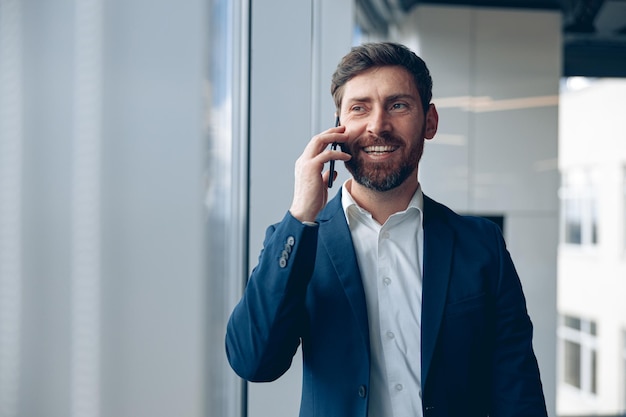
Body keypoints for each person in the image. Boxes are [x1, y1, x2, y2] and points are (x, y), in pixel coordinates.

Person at [225, 42, 548, 417]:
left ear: (430, 122)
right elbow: (253, 362)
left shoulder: (481, 245)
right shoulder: (297, 242)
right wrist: (301, 213)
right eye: (359, 108)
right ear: (338, 127)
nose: (378, 125)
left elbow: (517, 391)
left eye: (398, 105)